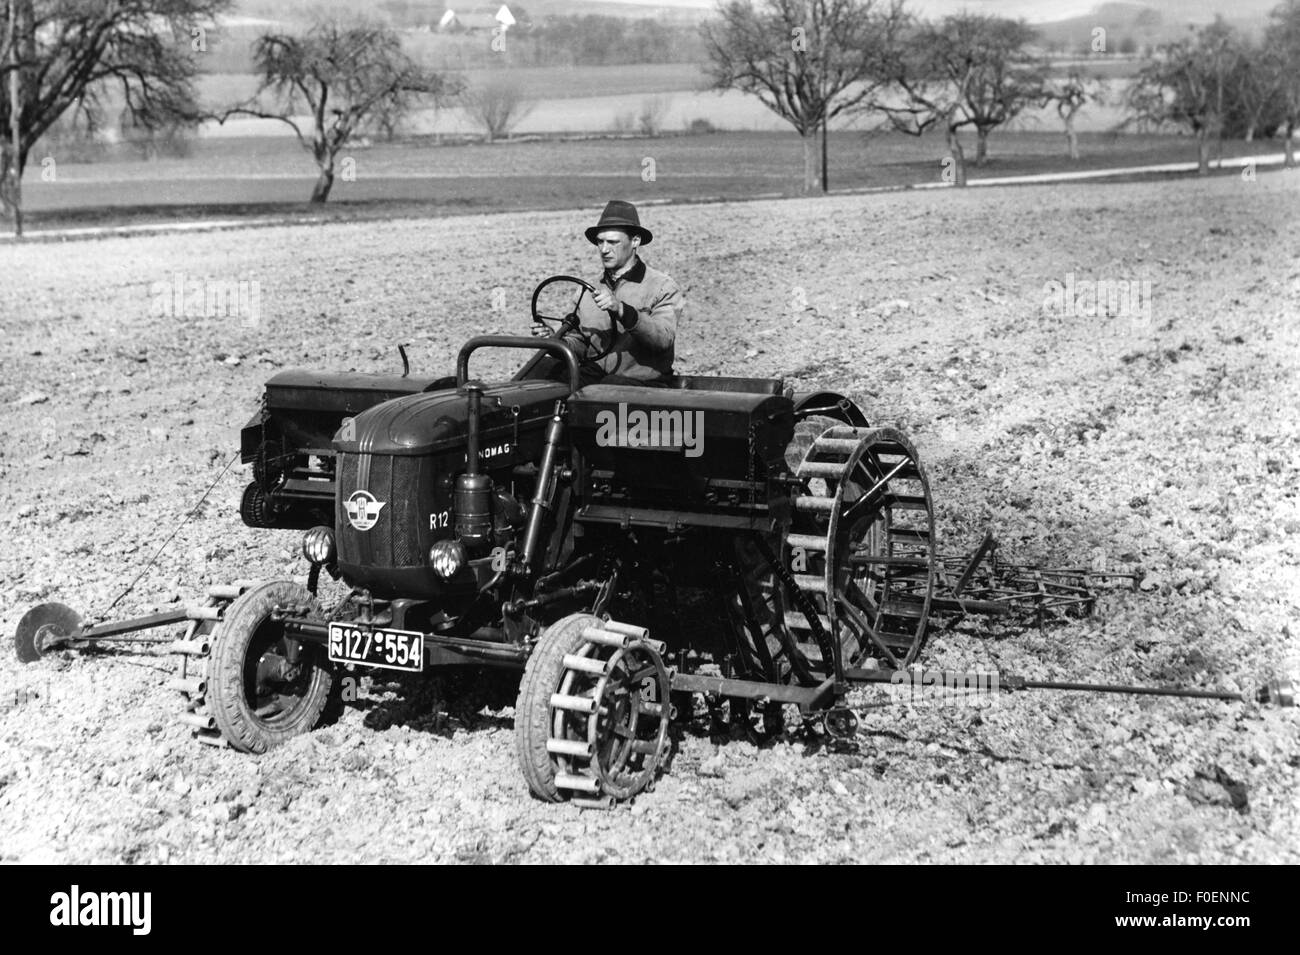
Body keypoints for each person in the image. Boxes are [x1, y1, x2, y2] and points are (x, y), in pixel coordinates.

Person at [532, 200, 682, 388]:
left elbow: (662, 339)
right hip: (596, 377)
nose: (604, 249)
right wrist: (554, 341)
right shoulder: (587, 290)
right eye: (600, 242)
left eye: (612, 242)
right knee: (539, 371)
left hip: (643, 384)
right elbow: (580, 344)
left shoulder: (662, 287)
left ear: (635, 241)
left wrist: (622, 310)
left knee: (608, 388)